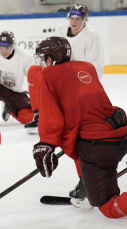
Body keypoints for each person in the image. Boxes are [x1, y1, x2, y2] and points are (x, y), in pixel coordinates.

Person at [31, 36, 127, 218]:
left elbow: (51, 116)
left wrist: (47, 143)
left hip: (98, 146)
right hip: (120, 130)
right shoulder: (87, 66)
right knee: (77, 141)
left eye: (43, 58)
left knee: (109, 207)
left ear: (50, 60)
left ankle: (89, 188)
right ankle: (85, 185)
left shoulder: (45, 75)